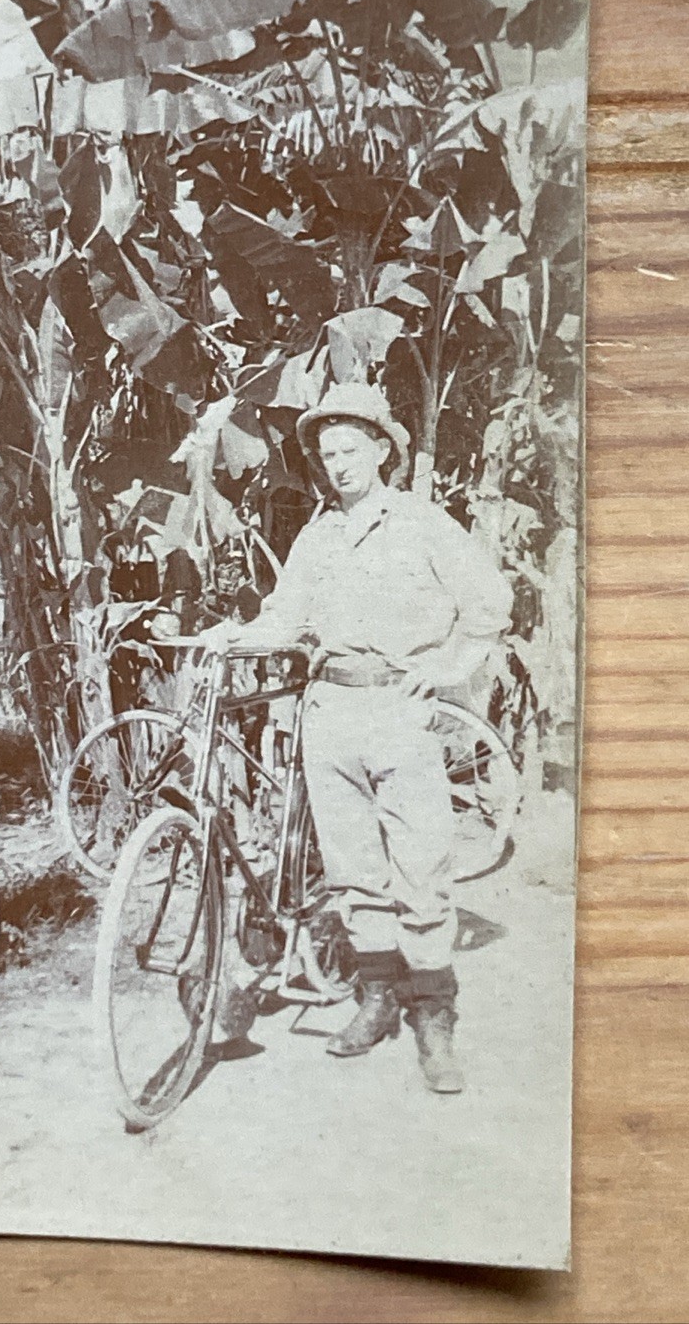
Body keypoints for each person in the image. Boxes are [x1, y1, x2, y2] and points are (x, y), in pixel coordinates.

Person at [206, 384, 511, 1093]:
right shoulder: (317, 533)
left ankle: (432, 1016)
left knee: (419, 863)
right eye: (326, 453)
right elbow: (286, 617)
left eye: (350, 449)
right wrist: (236, 635)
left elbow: (488, 603)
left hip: (397, 712)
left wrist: (442, 671)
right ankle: (375, 999)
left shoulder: (421, 523)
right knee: (351, 869)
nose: (337, 463)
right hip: (329, 711)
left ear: (381, 449)